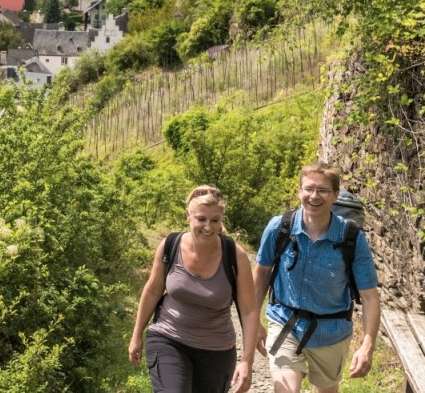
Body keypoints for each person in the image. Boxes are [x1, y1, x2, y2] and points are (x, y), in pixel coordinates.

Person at [253, 163, 381, 393]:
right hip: (285, 322)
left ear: (334, 195)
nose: (314, 196)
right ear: (299, 192)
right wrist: (253, 323)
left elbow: (370, 297)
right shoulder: (279, 228)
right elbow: (262, 273)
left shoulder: (351, 237)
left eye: (322, 190)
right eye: (308, 189)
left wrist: (367, 346)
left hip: (331, 331)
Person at [129, 185, 261, 392]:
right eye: (201, 219)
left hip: (216, 350)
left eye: (214, 220)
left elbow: (249, 310)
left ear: (221, 221)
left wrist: (247, 362)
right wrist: (136, 334)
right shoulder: (169, 246)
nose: (208, 227)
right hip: (169, 338)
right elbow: (153, 290)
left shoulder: (236, 256)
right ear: (188, 217)